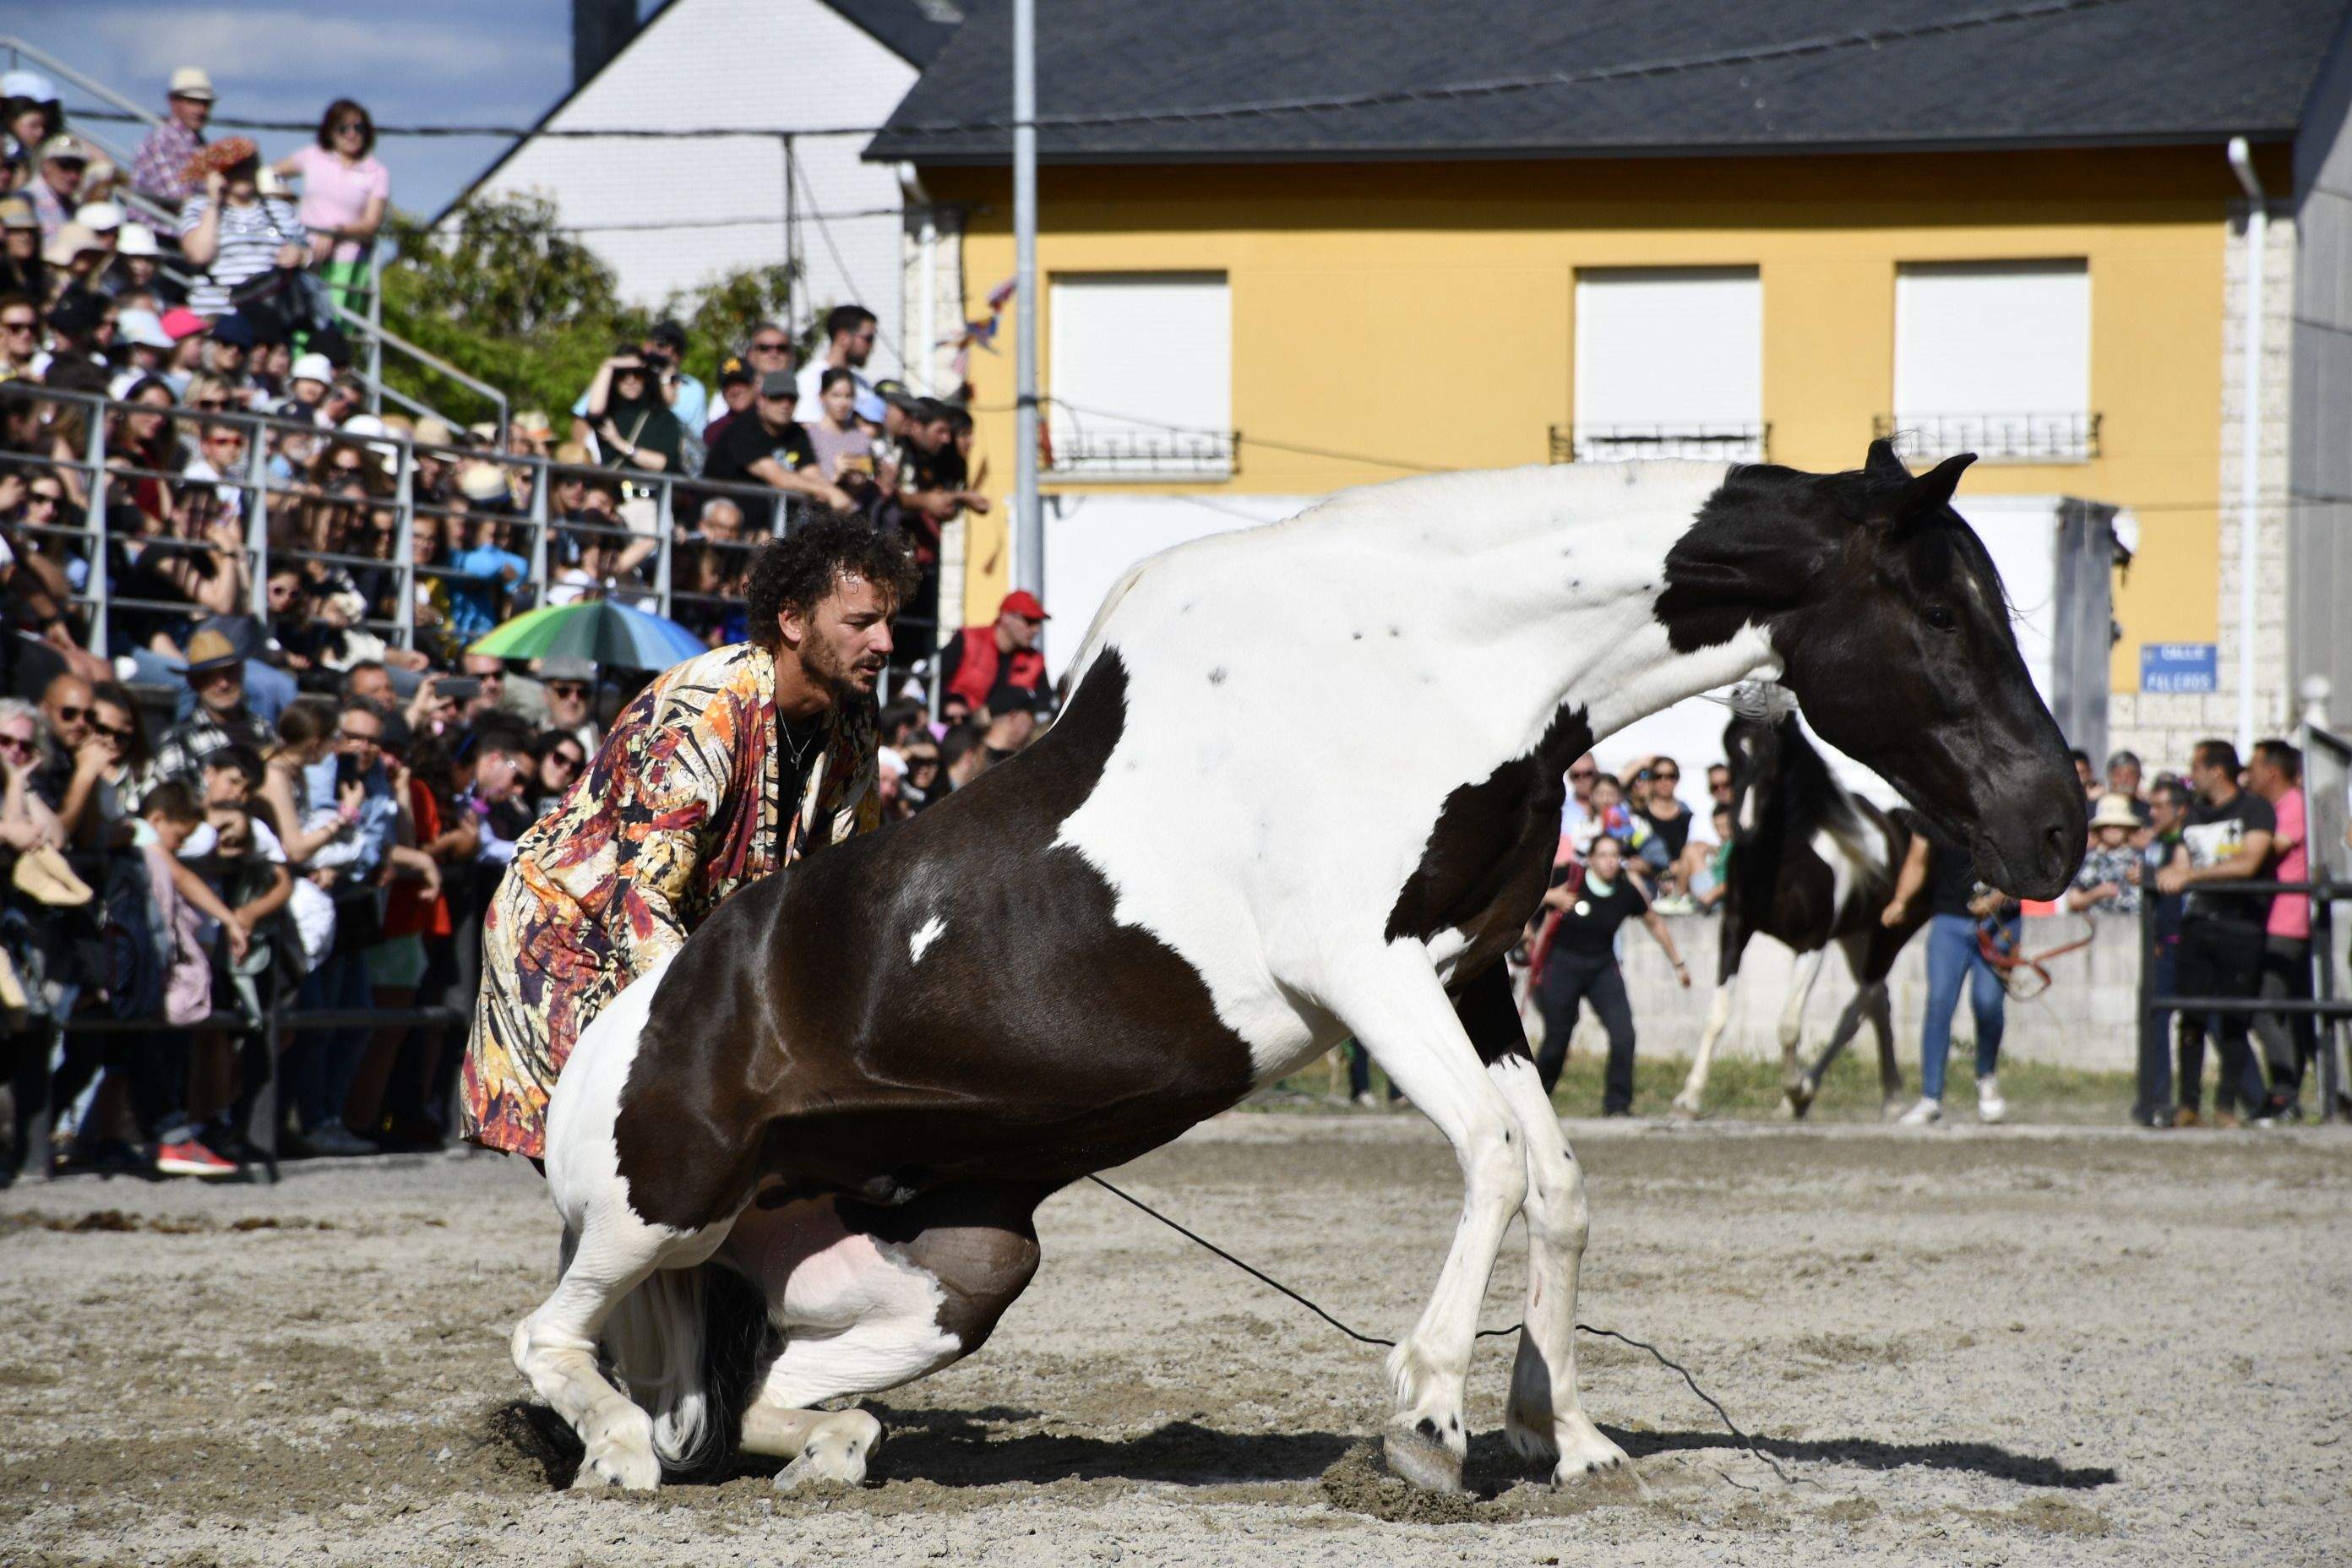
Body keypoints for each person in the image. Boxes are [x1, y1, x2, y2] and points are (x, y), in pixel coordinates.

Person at [461, 516, 917, 1158]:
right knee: (632, 1182)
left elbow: (843, 878)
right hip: (569, 939)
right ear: (792, 621)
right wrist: (731, 1027)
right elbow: (642, 896)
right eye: (861, 622)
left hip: (685, 943)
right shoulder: (707, 706)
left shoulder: (852, 713)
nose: (885, 642)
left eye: (887, 622)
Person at [2157, 739, 2275, 1127]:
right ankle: (2187, 1105)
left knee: (2234, 1020)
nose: (2192, 776)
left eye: (2196, 767)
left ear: (2216, 771)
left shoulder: (2255, 809)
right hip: (2198, 927)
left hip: (2241, 927)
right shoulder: (2195, 815)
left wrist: (2190, 875)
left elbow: (2249, 862)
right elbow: (2181, 861)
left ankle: (2227, 1106)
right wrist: (2170, 874)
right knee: (2190, 1018)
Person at [1526, 832, 1689, 1112]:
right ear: (1590, 859)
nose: (1610, 862)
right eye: (1603, 855)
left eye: (1615, 855)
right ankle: (1534, 1105)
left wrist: (1678, 963)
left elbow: (1655, 922)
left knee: (1624, 1033)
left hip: (1602, 966)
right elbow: (1524, 895)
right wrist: (1551, 896)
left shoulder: (1626, 890)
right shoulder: (1568, 876)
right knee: (1557, 1037)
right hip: (1562, 964)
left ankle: (1618, 1104)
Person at [1885, 834, 2016, 1125]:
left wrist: (1995, 899)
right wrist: (1900, 899)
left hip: (1999, 923)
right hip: (1949, 919)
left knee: (1987, 1003)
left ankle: (1986, 1077)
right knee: (1939, 1004)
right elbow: (1917, 859)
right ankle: (1930, 1097)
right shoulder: (1932, 811)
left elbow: (2024, 864)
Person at [2246, 739, 2311, 1121]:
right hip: (2270, 919)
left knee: (2267, 1009)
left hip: (2287, 921)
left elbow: (2272, 851)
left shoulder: (2293, 806)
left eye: (2253, 766)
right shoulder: (2274, 808)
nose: (2247, 774)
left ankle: (2285, 1095)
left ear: (2272, 771)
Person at [270, 101, 387, 312]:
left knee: (333, 322)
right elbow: (270, 174)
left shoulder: (376, 172)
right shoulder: (312, 156)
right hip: (303, 254)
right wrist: (283, 202)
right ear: (331, 132)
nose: (351, 134)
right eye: (343, 128)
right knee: (299, 315)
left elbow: (372, 222)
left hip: (347, 260)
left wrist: (336, 231)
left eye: (358, 128)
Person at [175, 139, 308, 320]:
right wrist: (214, 202)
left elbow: (308, 254)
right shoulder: (199, 207)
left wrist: (300, 255)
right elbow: (199, 255)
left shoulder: (280, 209)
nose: (243, 173)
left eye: (249, 166)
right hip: (218, 315)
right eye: (234, 168)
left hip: (269, 316)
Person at [702, 371, 852, 510]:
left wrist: (826, 488)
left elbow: (811, 473)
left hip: (768, 525)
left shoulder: (797, 433)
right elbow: (777, 477)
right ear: (761, 400)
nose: (785, 405)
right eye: (777, 397)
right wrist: (828, 491)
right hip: (719, 523)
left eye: (791, 399)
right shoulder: (743, 430)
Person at [2133, 778, 2193, 1127]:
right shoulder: (2158, 844)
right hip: (2160, 944)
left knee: (2207, 1020)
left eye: (2159, 807)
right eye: (2150, 806)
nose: (2151, 813)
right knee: (2156, 1023)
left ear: (2180, 810)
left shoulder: (2186, 842)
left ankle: (2252, 1095)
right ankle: (2156, 1099)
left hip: (2183, 944)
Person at [155, 624, 275, 784]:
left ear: (241, 671)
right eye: (211, 677)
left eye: (229, 672)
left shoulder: (263, 727)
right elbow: (177, 802)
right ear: (194, 683)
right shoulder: (178, 740)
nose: (223, 684)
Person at [578, 346, 684, 476]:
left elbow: (665, 464)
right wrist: (608, 364)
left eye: (637, 373)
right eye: (622, 374)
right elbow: (594, 411)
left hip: (650, 492)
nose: (630, 380)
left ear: (646, 376)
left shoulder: (663, 417)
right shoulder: (609, 413)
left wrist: (620, 444)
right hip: (613, 491)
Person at [940, 590, 1048, 717]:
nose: (1036, 629)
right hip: (957, 728)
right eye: (1029, 621)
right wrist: (946, 705)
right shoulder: (968, 641)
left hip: (1005, 733)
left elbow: (1045, 705)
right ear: (1005, 617)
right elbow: (930, 678)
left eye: (1038, 623)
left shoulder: (1035, 661)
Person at [132, 67, 215, 209]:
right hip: (160, 228)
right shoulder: (162, 141)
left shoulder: (199, 144)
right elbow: (177, 197)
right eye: (193, 101)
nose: (201, 110)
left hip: (191, 224)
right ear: (173, 102)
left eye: (205, 103)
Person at [2064, 793, 2145, 914]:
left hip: (2135, 926)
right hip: (2096, 927)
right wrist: (2096, 894)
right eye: (2107, 825)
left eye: (2118, 825)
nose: (2112, 830)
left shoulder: (2141, 859)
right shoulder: (2088, 860)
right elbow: (2073, 900)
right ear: (2099, 829)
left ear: (2127, 828)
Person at [796, 302, 876, 409]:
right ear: (843, 338)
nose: (871, 346)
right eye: (868, 339)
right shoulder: (809, 381)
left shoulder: (863, 385)